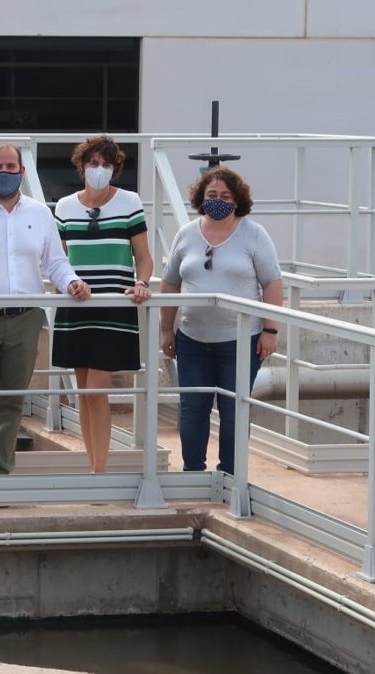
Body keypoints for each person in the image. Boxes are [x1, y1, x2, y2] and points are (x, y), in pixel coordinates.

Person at [0, 143, 91, 476]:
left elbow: (55, 262)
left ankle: (2, 470)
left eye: (11, 167)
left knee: (12, 400)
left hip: (25, 319)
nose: (4, 172)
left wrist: (72, 282)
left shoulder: (40, 213)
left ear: (22, 171)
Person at [160, 166, 282, 475]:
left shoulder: (254, 234)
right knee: (192, 409)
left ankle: (231, 477)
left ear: (237, 200)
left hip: (241, 342)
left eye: (225, 196)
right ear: (201, 198)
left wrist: (270, 330)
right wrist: (166, 329)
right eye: (212, 194)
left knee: (234, 412)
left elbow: (272, 283)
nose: (218, 200)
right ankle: (193, 474)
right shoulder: (186, 234)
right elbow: (170, 282)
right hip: (192, 340)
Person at [51, 136, 153, 473]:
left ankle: (100, 470)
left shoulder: (129, 202)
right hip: (76, 306)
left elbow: (144, 257)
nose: (99, 169)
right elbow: (58, 260)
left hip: (113, 306)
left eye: (106, 164)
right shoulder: (64, 207)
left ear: (115, 168)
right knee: (84, 391)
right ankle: (91, 464)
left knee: (96, 389)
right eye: (93, 163)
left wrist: (141, 283)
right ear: (81, 167)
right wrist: (68, 284)